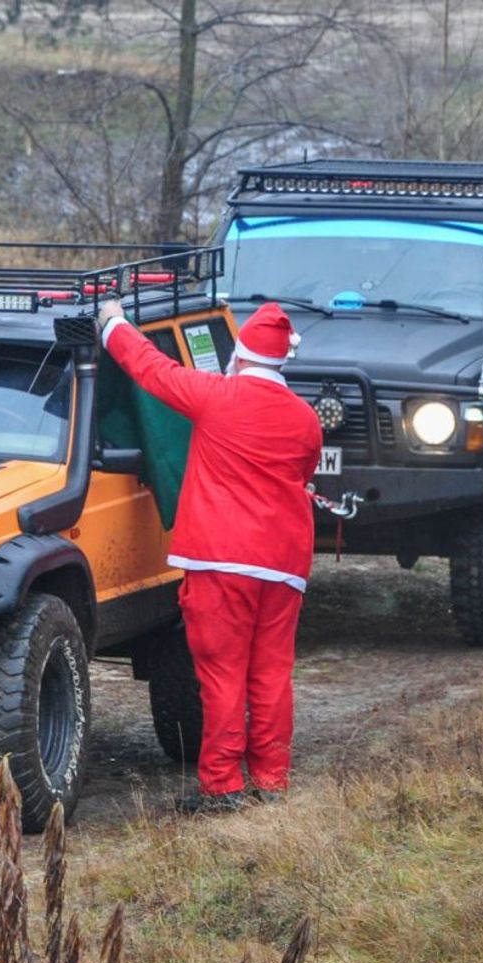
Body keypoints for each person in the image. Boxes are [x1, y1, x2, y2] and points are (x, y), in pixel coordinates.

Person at [96, 299, 323, 814]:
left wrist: (113, 323)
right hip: (284, 564)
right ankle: (271, 780)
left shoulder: (216, 396)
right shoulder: (306, 420)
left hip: (220, 561)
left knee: (222, 675)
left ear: (239, 355)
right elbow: (303, 473)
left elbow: (151, 369)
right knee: (271, 673)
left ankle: (222, 785)